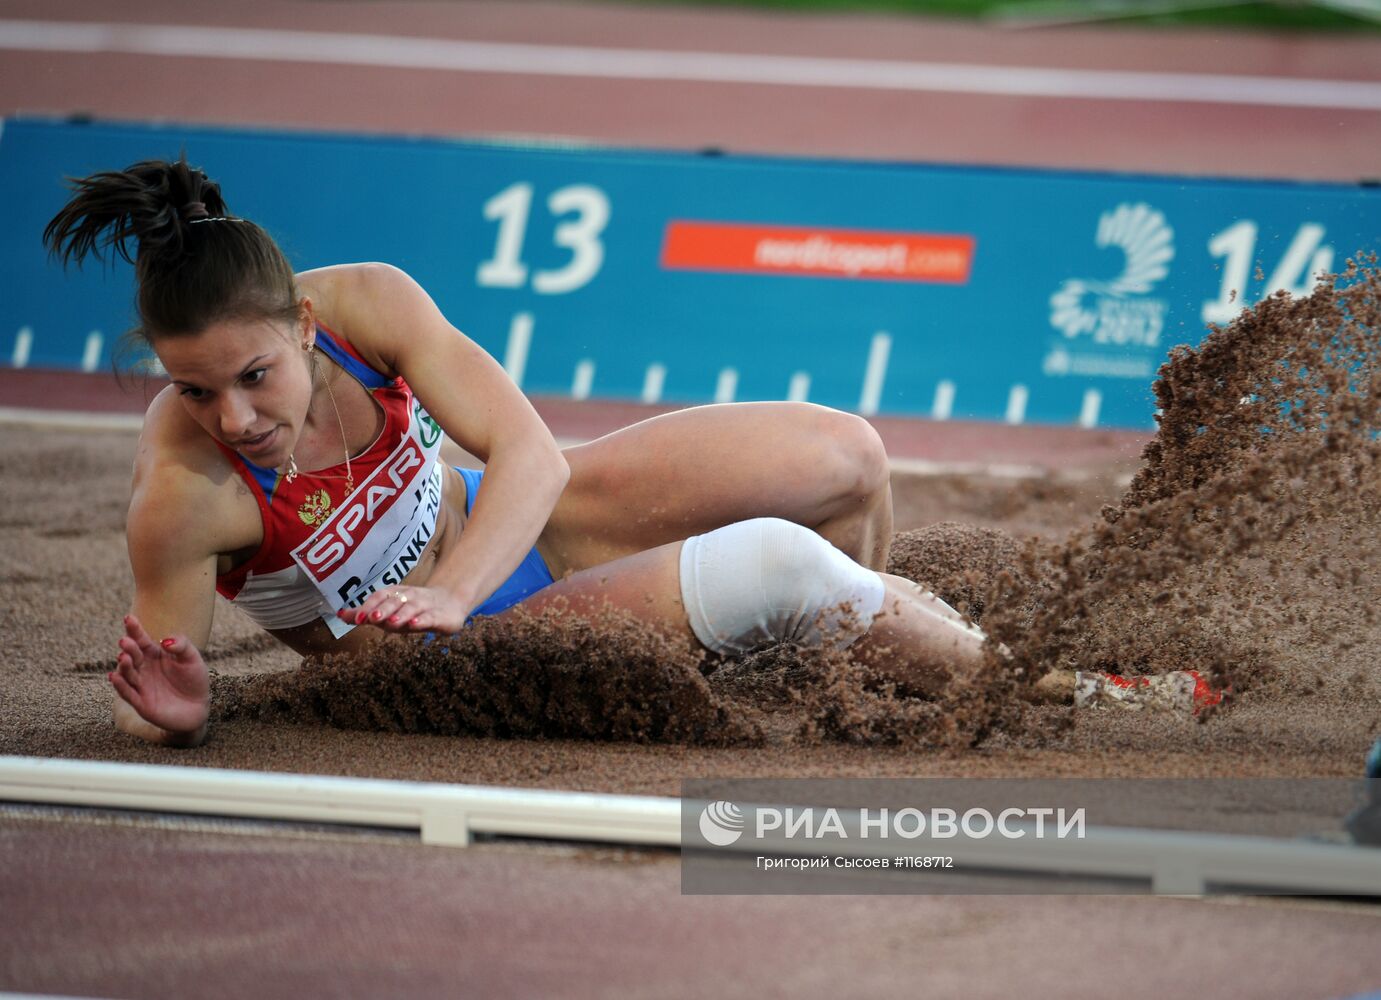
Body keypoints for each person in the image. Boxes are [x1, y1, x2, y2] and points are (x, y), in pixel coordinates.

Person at [44, 157, 990, 749]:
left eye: (254, 375)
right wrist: (171, 718)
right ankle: (1032, 687)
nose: (235, 418)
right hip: (439, 658)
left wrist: (454, 581)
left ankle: (845, 659)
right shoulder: (184, 490)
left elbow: (530, 454)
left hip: (513, 519)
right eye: (194, 389)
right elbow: (156, 688)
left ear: (301, 323)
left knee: (844, 454)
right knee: (775, 565)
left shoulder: (367, 303)